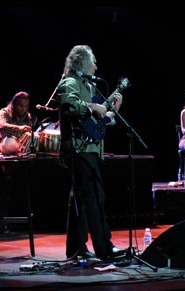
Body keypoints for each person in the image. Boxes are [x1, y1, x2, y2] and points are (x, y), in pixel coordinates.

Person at [57, 45, 125, 261]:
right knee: (94, 198)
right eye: (93, 61)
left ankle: (76, 248)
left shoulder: (89, 86)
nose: (96, 65)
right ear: (83, 63)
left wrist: (113, 110)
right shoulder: (70, 83)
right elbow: (69, 106)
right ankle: (104, 249)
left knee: (82, 200)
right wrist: (91, 107)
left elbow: (98, 120)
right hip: (79, 149)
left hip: (91, 149)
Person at [0, 91, 35, 156]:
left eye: (26, 106)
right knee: (10, 141)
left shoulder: (28, 115)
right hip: (6, 147)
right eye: (21, 106)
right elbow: (1, 125)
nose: (23, 109)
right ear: (14, 104)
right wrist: (19, 128)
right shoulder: (4, 112)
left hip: (22, 149)